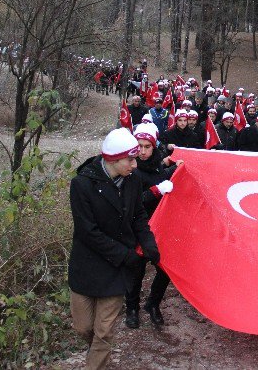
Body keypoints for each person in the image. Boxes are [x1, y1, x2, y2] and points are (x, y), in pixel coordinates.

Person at [68, 128, 159, 369]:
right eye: (130, 159)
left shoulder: (132, 180)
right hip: (87, 265)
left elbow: (138, 214)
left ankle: (96, 361)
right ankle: (98, 350)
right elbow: (88, 232)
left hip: (117, 269)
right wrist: (126, 255)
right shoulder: (81, 185)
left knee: (104, 331)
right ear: (113, 159)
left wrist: (148, 243)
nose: (134, 165)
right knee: (84, 327)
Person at [125, 124, 179, 329]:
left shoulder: (157, 163)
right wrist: (156, 190)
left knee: (165, 270)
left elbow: (160, 176)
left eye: (147, 146)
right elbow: (132, 202)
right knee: (136, 271)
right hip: (137, 228)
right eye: (139, 146)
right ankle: (132, 309)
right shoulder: (129, 168)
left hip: (159, 227)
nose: (143, 151)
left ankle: (153, 304)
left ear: (154, 146)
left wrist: (174, 169)